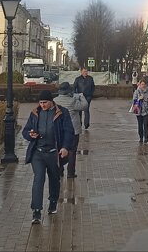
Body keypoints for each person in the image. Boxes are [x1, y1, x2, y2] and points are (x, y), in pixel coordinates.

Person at [23, 89, 75, 224]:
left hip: (54, 153)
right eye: (40, 102)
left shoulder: (62, 113)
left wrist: (65, 147)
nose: (42, 105)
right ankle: (36, 211)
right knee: (38, 179)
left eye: (45, 102)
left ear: (51, 101)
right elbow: (25, 131)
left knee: (54, 178)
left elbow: (69, 131)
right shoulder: (35, 113)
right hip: (38, 153)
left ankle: (53, 203)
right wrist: (30, 134)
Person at [52, 81, 87, 178]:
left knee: (59, 148)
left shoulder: (55, 101)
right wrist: (81, 96)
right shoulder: (73, 101)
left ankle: (60, 170)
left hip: (59, 129)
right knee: (72, 150)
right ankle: (71, 172)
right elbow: (84, 106)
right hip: (73, 130)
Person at [131, 78, 148, 142]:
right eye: (142, 84)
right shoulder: (137, 91)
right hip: (139, 110)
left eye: (144, 84)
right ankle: (141, 137)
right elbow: (134, 100)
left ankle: (146, 138)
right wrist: (139, 99)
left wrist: (147, 100)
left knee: (145, 124)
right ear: (140, 85)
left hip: (146, 110)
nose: (143, 85)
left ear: (146, 85)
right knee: (140, 125)